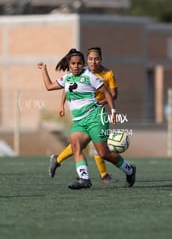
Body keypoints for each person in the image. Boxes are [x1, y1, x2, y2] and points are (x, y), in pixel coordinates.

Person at [37, 48, 136, 189]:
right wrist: (43, 69)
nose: (76, 66)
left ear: (83, 64)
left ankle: (130, 170)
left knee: (104, 153)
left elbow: (107, 93)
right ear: (69, 64)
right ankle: (84, 179)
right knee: (76, 146)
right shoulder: (67, 78)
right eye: (73, 63)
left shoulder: (89, 76)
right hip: (79, 122)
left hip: (96, 117)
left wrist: (113, 112)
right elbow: (49, 86)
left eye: (79, 63)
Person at [49, 46, 119, 184]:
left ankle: (100, 174)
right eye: (91, 59)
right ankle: (93, 175)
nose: (93, 62)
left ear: (101, 60)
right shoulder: (81, 72)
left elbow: (113, 95)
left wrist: (101, 104)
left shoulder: (108, 74)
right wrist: (61, 105)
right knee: (80, 144)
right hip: (82, 113)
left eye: (96, 59)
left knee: (97, 148)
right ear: (87, 60)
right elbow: (68, 88)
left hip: (97, 112)